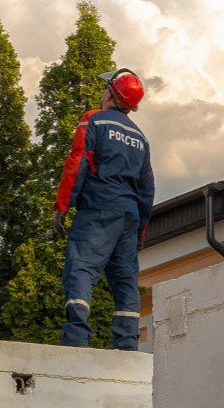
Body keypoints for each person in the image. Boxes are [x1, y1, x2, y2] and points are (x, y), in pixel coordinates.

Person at [52, 69, 155, 351]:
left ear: (111, 93)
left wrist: (62, 205)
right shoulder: (141, 138)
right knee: (125, 281)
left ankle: (76, 339)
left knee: (81, 269)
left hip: (98, 210)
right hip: (129, 217)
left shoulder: (93, 120)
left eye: (105, 88)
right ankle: (127, 345)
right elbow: (147, 189)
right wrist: (140, 231)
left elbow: (77, 163)